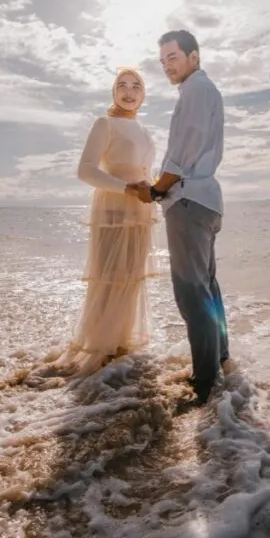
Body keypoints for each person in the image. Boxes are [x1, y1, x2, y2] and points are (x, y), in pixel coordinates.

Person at [129, 30, 228, 405]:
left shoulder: (195, 90)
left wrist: (154, 190)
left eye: (174, 57)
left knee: (192, 293)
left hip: (188, 200)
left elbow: (182, 152)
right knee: (208, 287)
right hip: (206, 200)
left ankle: (204, 383)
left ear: (194, 57)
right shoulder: (205, 90)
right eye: (163, 61)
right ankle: (219, 360)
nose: (168, 66)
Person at [54, 67, 156, 377]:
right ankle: (98, 352)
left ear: (143, 93)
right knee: (109, 279)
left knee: (131, 279)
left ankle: (120, 349)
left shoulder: (145, 131)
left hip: (140, 213)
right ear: (113, 92)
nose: (129, 91)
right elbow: (85, 171)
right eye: (122, 85)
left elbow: (146, 172)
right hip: (113, 210)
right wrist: (126, 188)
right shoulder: (105, 124)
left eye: (136, 85)